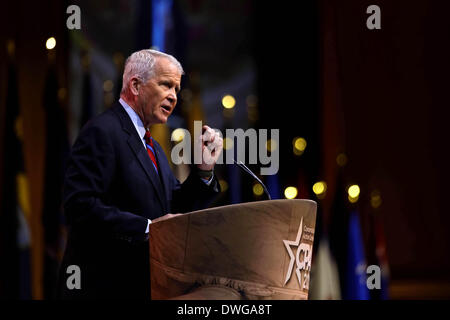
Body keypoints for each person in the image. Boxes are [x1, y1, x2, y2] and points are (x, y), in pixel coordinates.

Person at [57, 49, 223, 299]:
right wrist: (147, 229)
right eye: (166, 85)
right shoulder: (103, 132)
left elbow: (172, 206)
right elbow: (79, 206)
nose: (174, 96)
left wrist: (204, 169)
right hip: (102, 288)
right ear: (135, 85)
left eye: (177, 89)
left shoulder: (152, 145)